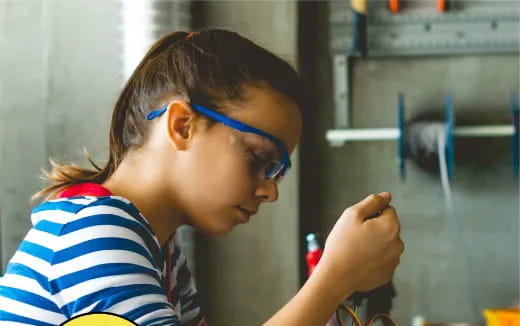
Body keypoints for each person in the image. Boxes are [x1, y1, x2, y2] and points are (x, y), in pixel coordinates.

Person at [0, 29, 404, 326]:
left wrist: (336, 297)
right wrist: (333, 280)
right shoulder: (96, 235)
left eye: (277, 171)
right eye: (259, 157)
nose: (270, 191)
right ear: (182, 126)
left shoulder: (160, 249)